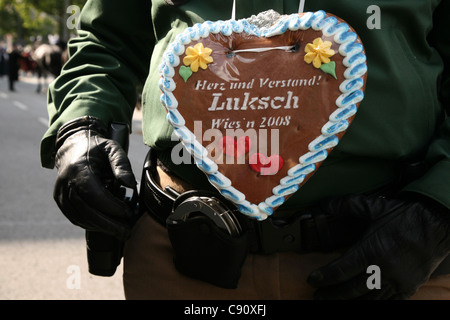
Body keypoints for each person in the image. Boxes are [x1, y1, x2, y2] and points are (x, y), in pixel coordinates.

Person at [40, 0, 450, 300]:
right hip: (182, 258)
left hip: (394, 259)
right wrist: (82, 124)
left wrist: (440, 207)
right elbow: (106, 39)